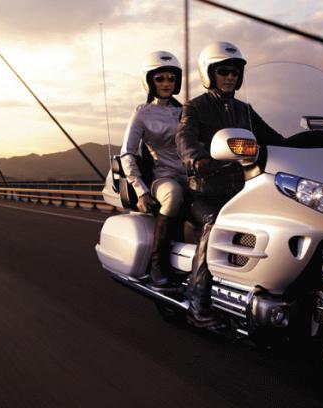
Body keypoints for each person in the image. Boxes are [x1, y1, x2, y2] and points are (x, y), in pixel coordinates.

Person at [176, 41, 285, 327]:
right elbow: (185, 139)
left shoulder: (244, 110)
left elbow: (274, 139)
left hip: (242, 192)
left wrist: (312, 146)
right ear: (209, 74)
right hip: (205, 194)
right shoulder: (194, 107)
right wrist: (196, 158)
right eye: (223, 71)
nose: (230, 77)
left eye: (235, 72)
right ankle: (197, 303)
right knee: (215, 225)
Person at [120, 50, 187, 291]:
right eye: (160, 79)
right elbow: (127, 152)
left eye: (171, 78)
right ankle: (158, 265)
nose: (166, 83)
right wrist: (141, 190)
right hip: (164, 177)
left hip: (192, 176)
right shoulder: (143, 113)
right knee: (173, 195)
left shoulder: (186, 111)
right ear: (150, 81)